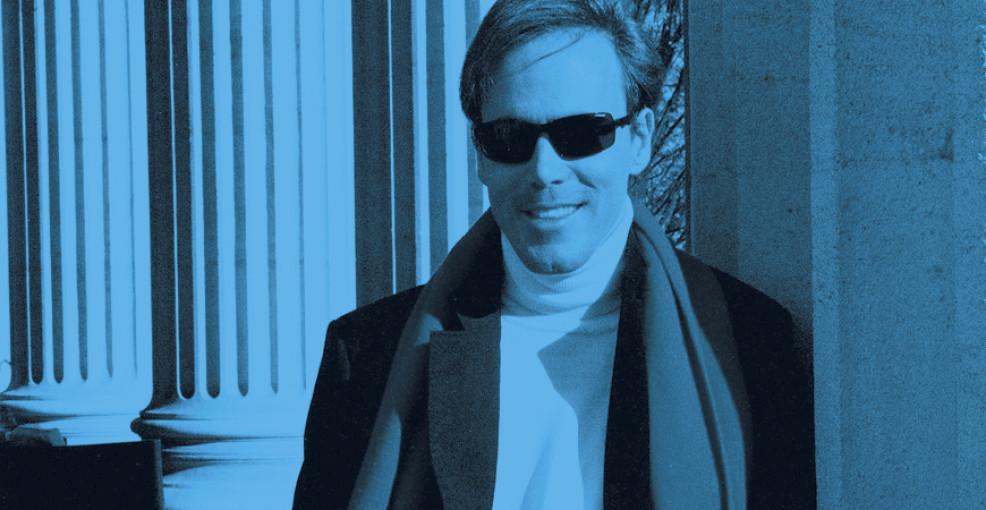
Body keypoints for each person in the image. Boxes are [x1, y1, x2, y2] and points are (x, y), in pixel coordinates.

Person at [294, 0, 815, 508]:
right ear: (481, 155)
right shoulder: (367, 358)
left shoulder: (749, 345)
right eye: (510, 137)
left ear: (640, 139)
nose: (544, 171)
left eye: (582, 133)